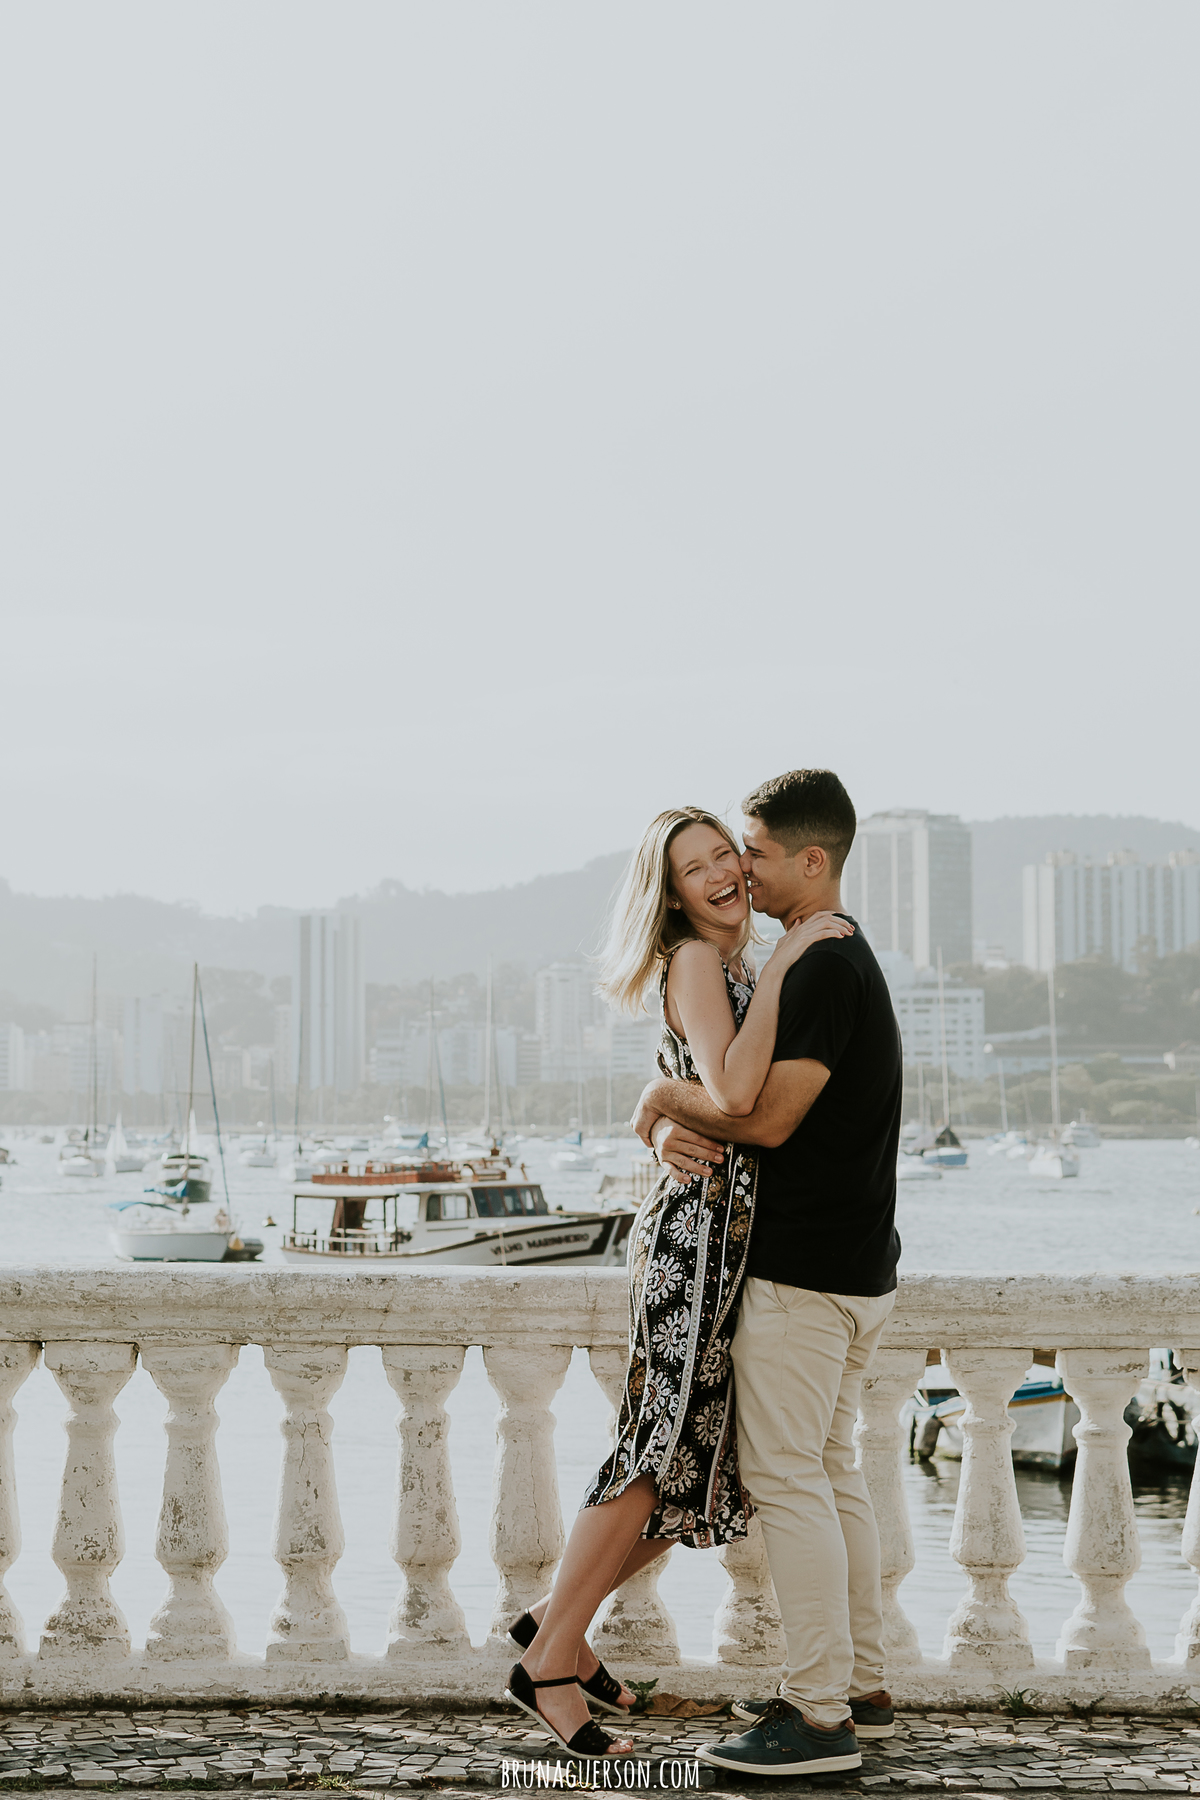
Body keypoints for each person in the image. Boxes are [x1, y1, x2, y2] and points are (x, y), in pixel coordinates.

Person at [505, 804, 850, 1758]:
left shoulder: (734, 964)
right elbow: (735, 1094)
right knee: (654, 1452)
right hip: (693, 1245)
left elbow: (713, 1093)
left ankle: (550, 1625)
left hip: (723, 1244)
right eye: (696, 868)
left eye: (726, 856)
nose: (723, 875)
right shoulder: (702, 962)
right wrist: (787, 962)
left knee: (693, 1467)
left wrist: (653, 1107)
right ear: (672, 892)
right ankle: (549, 1668)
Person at [632, 769, 903, 1781]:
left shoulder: (820, 965)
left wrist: (658, 1095)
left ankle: (817, 1718)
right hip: (855, 1271)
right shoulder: (834, 954)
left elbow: (765, 1119)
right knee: (831, 1479)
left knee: (793, 1485)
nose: (738, 869)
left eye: (750, 851)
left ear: (812, 861)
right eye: (720, 856)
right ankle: (860, 1686)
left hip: (805, 1275)